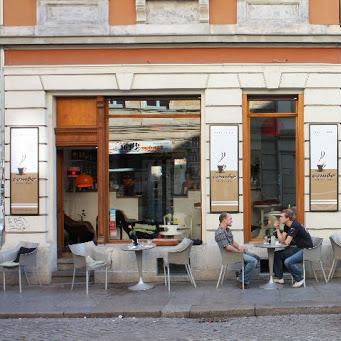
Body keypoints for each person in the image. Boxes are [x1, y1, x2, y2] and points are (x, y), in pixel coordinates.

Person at [215, 212, 259, 289]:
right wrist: (238, 251)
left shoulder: (227, 230)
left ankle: (241, 275)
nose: (232, 221)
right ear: (224, 220)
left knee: (256, 257)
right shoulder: (220, 232)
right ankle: (243, 281)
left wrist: (240, 247)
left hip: (234, 252)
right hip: (229, 255)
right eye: (230, 219)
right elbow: (227, 247)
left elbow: (232, 242)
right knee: (253, 261)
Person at [273, 209, 313, 288]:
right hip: (299, 248)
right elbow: (282, 240)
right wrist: (277, 229)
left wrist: (283, 242)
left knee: (288, 261)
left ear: (287, 218)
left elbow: (286, 242)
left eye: (281, 216)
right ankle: (280, 278)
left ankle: (300, 279)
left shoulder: (295, 226)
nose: (279, 218)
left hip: (306, 250)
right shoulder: (287, 226)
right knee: (277, 254)